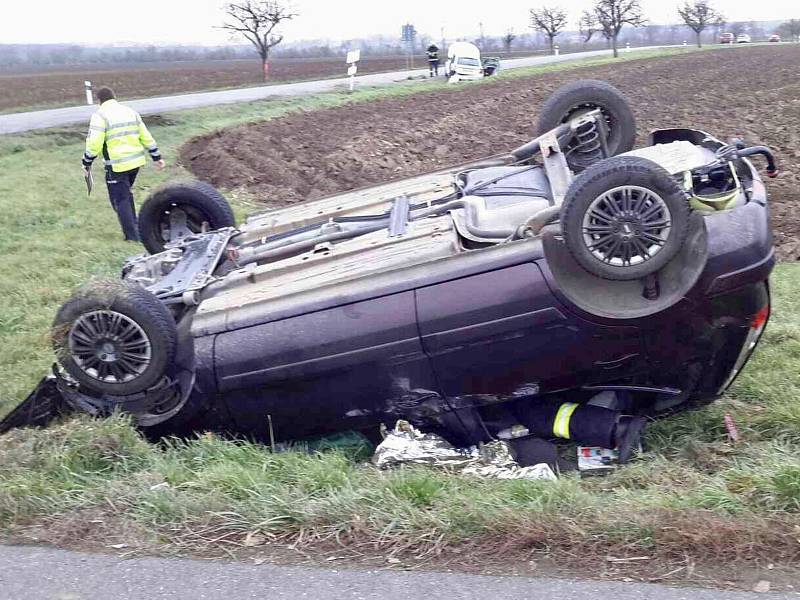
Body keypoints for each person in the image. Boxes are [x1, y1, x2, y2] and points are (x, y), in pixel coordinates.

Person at [82, 87, 165, 241]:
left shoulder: (100, 116)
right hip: (135, 163)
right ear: (114, 96)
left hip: (117, 165)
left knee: (119, 201)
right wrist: (156, 156)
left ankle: (133, 237)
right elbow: (146, 136)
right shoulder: (130, 112)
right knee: (125, 195)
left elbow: (94, 143)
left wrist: (86, 161)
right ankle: (136, 226)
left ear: (99, 101)